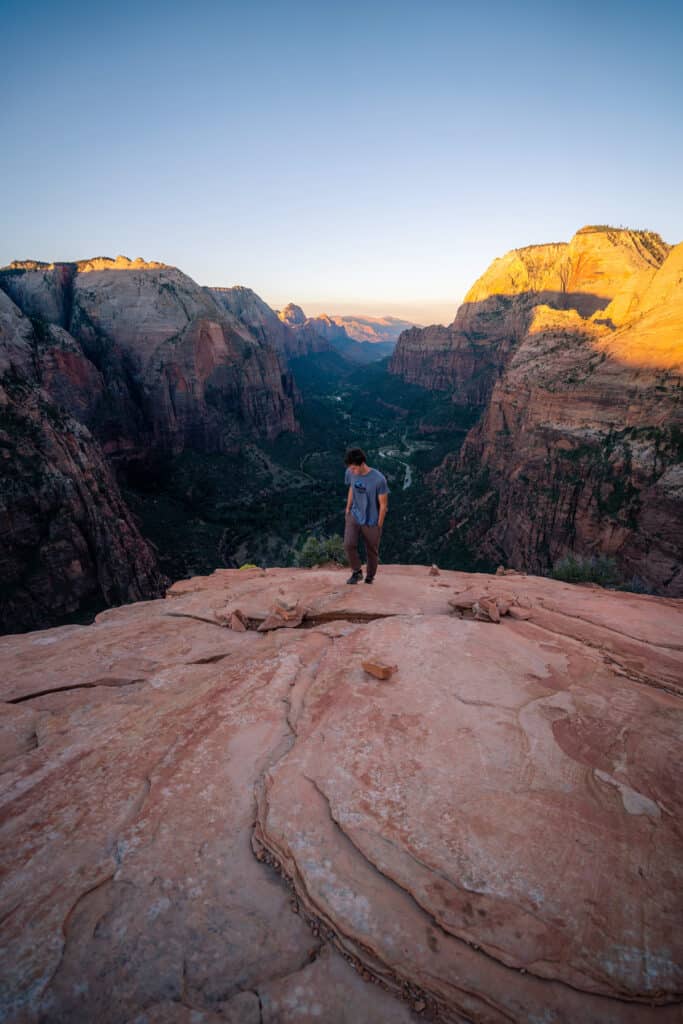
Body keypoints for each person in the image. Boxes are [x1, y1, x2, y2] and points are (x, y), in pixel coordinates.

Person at [343, 447, 389, 584]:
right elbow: (351, 487)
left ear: (362, 464)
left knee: (371, 550)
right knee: (348, 544)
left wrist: (379, 526)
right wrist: (348, 508)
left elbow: (383, 505)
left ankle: (370, 576)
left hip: (371, 520)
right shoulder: (350, 472)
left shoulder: (379, 479)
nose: (351, 471)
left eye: (354, 468)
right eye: (350, 468)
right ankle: (356, 572)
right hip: (354, 515)